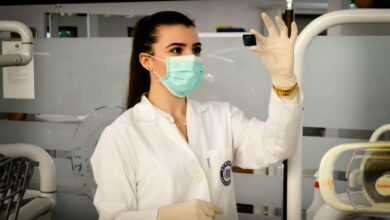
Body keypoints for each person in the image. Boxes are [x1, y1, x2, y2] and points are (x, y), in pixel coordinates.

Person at [90, 11, 302, 220]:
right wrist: (161, 217)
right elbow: (113, 216)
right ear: (147, 61)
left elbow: (277, 146)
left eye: (196, 49)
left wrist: (284, 81)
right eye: (176, 50)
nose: (190, 58)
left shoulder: (222, 117)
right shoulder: (120, 136)